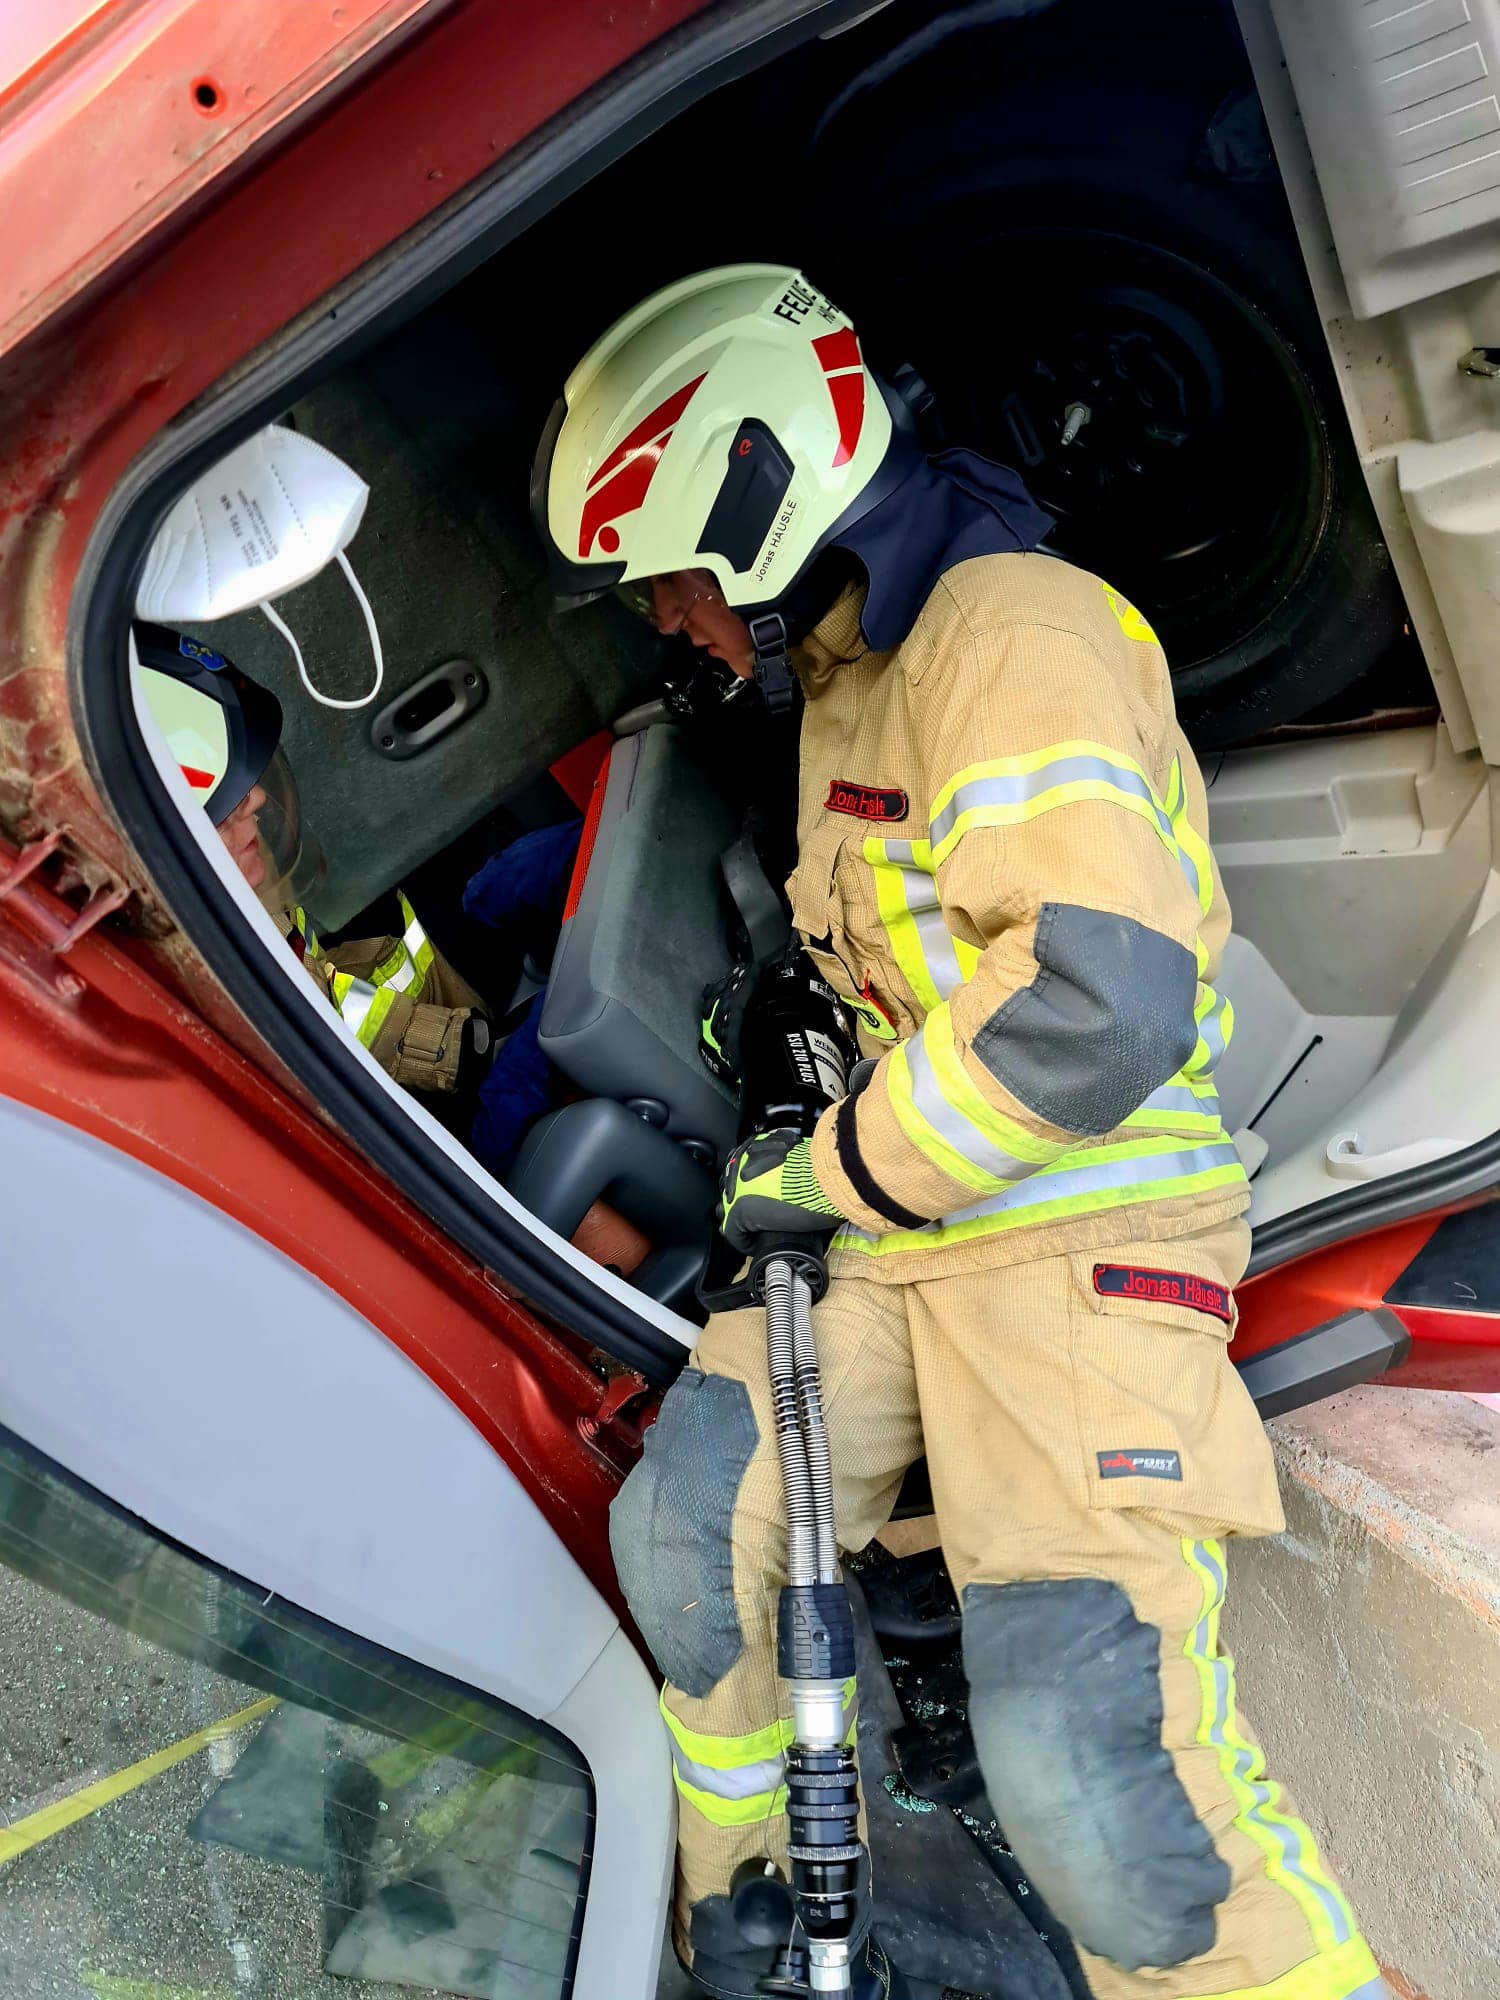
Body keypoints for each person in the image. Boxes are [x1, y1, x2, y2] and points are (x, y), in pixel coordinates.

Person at [533, 266, 1387, 2000]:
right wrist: (814, 1078)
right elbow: (912, 963)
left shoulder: (1011, 636)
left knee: (1092, 1779)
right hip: (901, 1237)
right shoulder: (857, 676)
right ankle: (757, 1935)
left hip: (1075, 1243)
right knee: (690, 1550)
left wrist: (829, 1170)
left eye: (673, 578)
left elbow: (1097, 996)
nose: (669, 622)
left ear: (761, 516)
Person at [134, 624, 488, 1097]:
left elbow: (320, 987)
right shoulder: (221, 974)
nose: (258, 798)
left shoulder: (224, 908)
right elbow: (323, 1024)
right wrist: (461, 1050)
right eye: (223, 807)